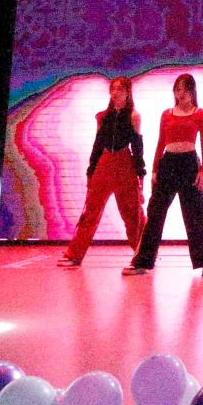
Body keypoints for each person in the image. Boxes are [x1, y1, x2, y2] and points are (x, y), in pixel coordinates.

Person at [124, 73, 203, 276]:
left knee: (196, 213)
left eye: (185, 89)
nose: (181, 93)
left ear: (192, 91)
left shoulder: (200, 114)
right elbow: (161, 142)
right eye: (178, 89)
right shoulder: (167, 114)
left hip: (189, 164)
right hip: (168, 163)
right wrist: (155, 170)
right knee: (155, 213)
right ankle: (142, 260)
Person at [59, 76, 145, 267]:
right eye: (113, 89)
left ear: (128, 92)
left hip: (124, 163)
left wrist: (140, 173)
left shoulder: (134, 116)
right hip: (105, 162)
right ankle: (74, 254)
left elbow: (137, 146)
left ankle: (143, 254)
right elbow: (97, 144)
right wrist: (91, 169)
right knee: (91, 211)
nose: (115, 93)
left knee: (133, 213)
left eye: (120, 89)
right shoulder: (103, 117)